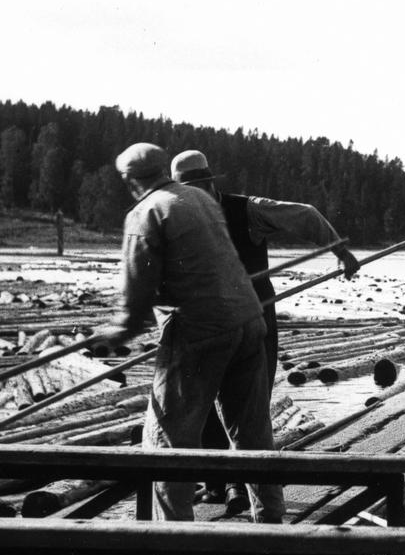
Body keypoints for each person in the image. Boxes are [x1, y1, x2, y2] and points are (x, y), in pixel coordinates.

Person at [95, 142, 284, 524]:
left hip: (199, 332)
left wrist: (112, 335)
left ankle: (175, 538)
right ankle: (271, 524)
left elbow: (135, 303)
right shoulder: (200, 199)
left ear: (130, 180)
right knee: (253, 434)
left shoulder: (146, 213)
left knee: (166, 442)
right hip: (249, 321)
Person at [170, 150, 360, 514]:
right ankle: (221, 485)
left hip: (253, 324)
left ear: (209, 184)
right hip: (205, 325)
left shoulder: (248, 210)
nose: (193, 199)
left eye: (197, 190)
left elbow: (306, 215)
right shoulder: (178, 217)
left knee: (250, 410)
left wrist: (341, 252)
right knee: (202, 406)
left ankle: (242, 491)